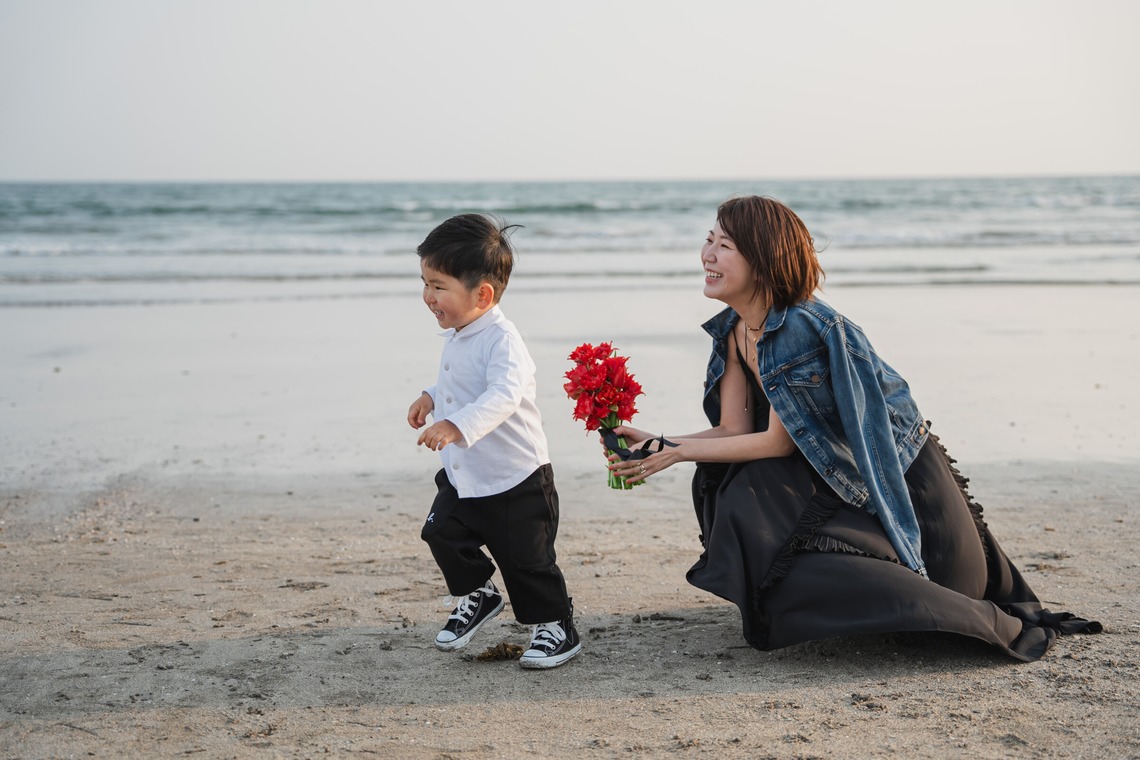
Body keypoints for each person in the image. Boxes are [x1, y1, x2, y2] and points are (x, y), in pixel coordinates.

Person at [606, 195, 1100, 661]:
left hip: (899, 474)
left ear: (763, 259)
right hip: (839, 472)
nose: (707, 254)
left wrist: (675, 452)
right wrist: (659, 442)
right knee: (735, 486)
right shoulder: (736, 330)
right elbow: (734, 428)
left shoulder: (801, 327)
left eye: (724, 246)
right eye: (708, 239)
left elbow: (776, 442)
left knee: (955, 596)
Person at [407, 213, 581, 669]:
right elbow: (459, 380)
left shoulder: (503, 340)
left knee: (527, 562)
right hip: (468, 475)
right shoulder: (462, 333)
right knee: (441, 531)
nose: (428, 296)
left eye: (439, 286)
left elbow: (502, 394)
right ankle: (479, 595)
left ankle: (557, 627)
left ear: (482, 294)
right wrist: (431, 395)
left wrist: (456, 426)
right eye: (425, 282)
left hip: (516, 479)